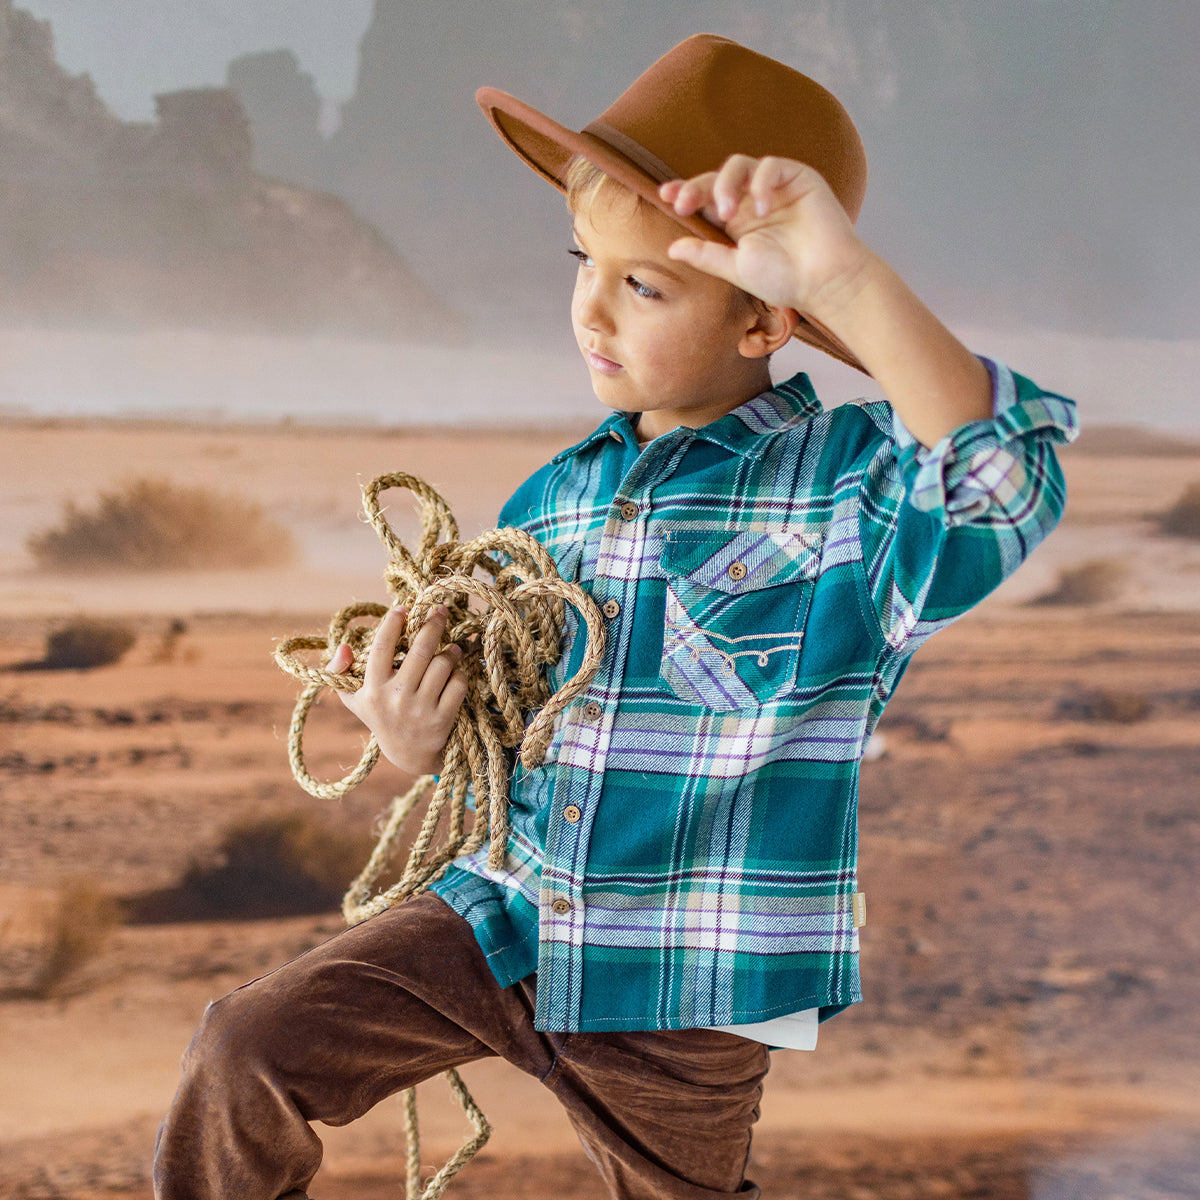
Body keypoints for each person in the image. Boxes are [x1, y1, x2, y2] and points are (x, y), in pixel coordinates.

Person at [154, 34, 1077, 1200]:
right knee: (246, 1048)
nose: (591, 306)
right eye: (583, 259)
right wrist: (416, 737)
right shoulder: (551, 498)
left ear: (766, 321)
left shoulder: (849, 492)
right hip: (498, 911)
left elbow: (1003, 485)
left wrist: (844, 278)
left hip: (693, 975)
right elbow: (506, 726)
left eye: (643, 284)